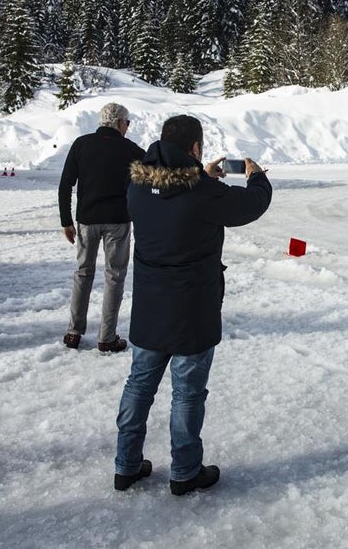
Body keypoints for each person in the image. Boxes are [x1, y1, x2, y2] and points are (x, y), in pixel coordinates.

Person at [114, 114, 272, 496]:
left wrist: (202, 175)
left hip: (150, 304)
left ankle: (126, 465)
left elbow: (174, 195)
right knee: (187, 393)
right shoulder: (201, 192)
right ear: (195, 148)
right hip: (192, 306)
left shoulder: (137, 185)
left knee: (139, 384)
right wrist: (256, 175)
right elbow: (250, 205)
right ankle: (184, 472)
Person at [58, 102, 145, 352]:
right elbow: (151, 178)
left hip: (86, 219)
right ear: (119, 122)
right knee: (114, 277)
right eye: (127, 123)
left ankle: (73, 332)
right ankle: (107, 337)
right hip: (118, 220)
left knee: (83, 273)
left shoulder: (81, 144)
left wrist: (66, 220)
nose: (128, 128)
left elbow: (66, 184)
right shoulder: (131, 150)